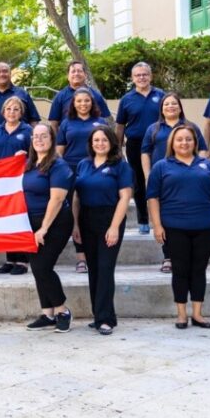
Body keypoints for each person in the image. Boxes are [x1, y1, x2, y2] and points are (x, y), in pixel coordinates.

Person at [146, 123, 210, 329]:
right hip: (174, 227)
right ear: (172, 143)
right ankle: (181, 314)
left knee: (199, 269)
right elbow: (153, 198)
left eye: (188, 139)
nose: (184, 143)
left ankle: (198, 314)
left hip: (206, 226)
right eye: (180, 139)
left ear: (195, 142)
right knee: (180, 270)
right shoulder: (161, 166)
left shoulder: (208, 165)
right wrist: (157, 225)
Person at [72, 126, 133, 335]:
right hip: (86, 218)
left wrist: (114, 226)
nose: (100, 143)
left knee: (105, 268)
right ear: (90, 143)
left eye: (104, 140)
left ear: (112, 143)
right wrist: (75, 225)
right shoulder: (83, 164)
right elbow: (76, 197)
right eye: (96, 140)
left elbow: (125, 197)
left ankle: (105, 319)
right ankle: (100, 314)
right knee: (94, 269)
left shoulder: (120, 166)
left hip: (110, 218)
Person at [141, 92, 209, 274]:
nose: (170, 107)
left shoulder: (190, 127)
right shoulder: (153, 129)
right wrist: (148, 175)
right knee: (164, 217)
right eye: (166, 104)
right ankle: (168, 256)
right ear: (161, 109)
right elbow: (145, 153)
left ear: (180, 107)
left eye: (174, 104)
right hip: (162, 178)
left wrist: (198, 167)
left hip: (187, 178)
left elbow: (203, 150)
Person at [21, 123, 74, 332]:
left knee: (43, 267)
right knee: (37, 268)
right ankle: (47, 313)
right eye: (35, 136)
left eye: (44, 136)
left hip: (55, 223)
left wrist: (43, 228)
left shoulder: (58, 165)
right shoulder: (29, 164)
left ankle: (62, 310)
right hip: (30, 223)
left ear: (52, 140)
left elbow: (57, 199)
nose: (39, 140)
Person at [56, 88, 108, 274]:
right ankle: (81, 257)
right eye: (79, 101)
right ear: (73, 104)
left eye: (87, 101)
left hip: (96, 172)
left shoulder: (100, 122)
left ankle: (98, 254)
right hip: (71, 171)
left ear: (92, 103)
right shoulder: (66, 123)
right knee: (75, 214)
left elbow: (109, 149)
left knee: (91, 212)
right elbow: (59, 152)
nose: (83, 104)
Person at [0, 96, 35, 275]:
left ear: (21, 112)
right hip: (1, 182)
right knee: (7, 219)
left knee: (20, 218)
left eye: (16, 109)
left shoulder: (28, 130)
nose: (12, 112)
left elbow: (37, 156)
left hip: (21, 181)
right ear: (3, 111)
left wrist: (26, 157)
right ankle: (10, 258)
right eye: (9, 109)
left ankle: (23, 260)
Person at [114, 62, 164, 235]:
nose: (141, 78)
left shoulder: (161, 95)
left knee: (161, 179)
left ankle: (163, 218)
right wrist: (118, 148)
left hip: (158, 143)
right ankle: (143, 220)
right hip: (135, 144)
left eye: (144, 74)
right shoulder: (127, 99)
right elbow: (120, 126)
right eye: (138, 75)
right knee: (139, 182)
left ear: (150, 76)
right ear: (133, 78)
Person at [47, 59, 111, 135]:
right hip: (69, 142)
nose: (76, 74)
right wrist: (58, 142)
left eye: (79, 71)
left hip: (93, 142)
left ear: (85, 75)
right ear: (68, 76)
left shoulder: (96, 96)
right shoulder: (60, 96)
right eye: (73, 71)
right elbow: (54, 123)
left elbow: (105, 120)